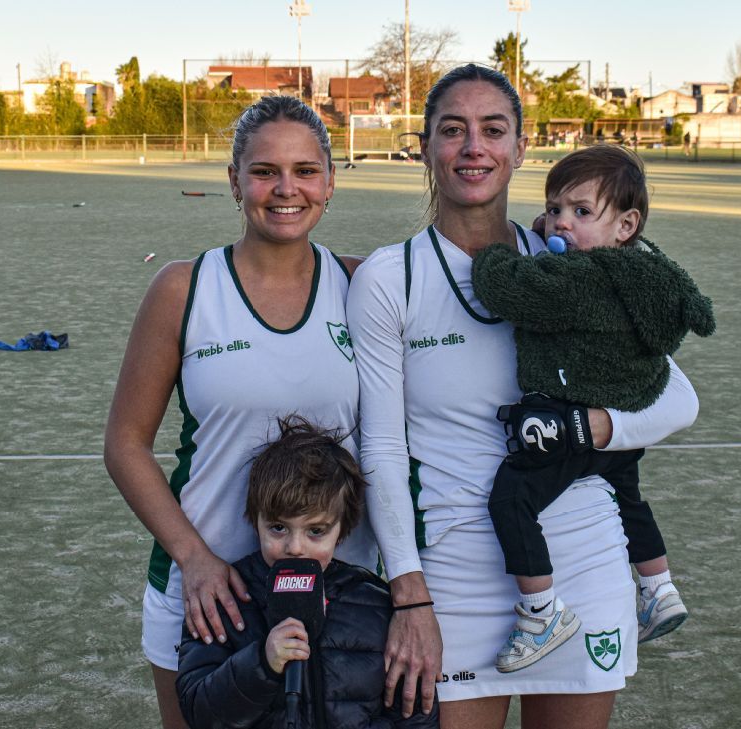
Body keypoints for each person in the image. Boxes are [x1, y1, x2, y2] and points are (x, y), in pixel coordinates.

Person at [347, 64, 699, 728]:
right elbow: (383, 449)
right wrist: (409, 593)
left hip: (584, 566)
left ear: (520, 148)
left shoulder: (572, 263)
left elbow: (676, 399)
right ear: (425, 147)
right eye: (453, 130)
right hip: (451, 581)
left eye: (493, 129)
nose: (473, 146)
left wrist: (585, 429)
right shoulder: (390, 277)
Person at [104, 94, 376, 729]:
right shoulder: (184, 287)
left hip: (339, 591)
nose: (286, 189)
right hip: (210, 597)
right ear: (234, 181)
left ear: (331, 182)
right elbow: (125, 445)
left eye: (306, 170)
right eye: (264, 171)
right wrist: (195, 561)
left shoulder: (364, 286)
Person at [470, 144, 716, 672]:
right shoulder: (646, 271)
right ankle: (658, 587)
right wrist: (570, 224)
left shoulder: (577, 280)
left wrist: (494, 251)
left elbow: (510, 291)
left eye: (581, 212)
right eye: (556, 208)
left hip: (567, 418)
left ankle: (541, 612)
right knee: (630, 502)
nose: (561, 224)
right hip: (624, 424)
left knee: (512, 499)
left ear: (625, 225)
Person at [176, 416, 438, 729]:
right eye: (278, 528)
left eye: (316, 531)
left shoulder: (374, 604)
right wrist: (262, 662)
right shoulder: (226, 599)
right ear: (253, 519)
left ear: (341, 531)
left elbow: (415, 715)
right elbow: (200, 711)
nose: (295, 547)